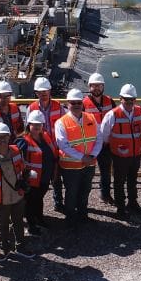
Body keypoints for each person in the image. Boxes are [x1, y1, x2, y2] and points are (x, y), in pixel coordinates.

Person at [54, 88, 103, 223]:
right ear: (68, 104)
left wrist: (92, 155)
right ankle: (70, 217)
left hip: (89, 164)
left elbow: (99, 138)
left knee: (86, 190)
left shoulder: (91, 118)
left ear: (83, 104)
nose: (76, 105)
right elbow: (63, 145)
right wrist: (83, 157)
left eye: (78, 102)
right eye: (73, 102)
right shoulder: (61, 122)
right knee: (72, 192)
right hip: (71, 166)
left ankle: (82, 214)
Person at [99, 84, 141, 217]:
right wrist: (115, 147)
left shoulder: (140, 111)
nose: (130, 102)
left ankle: (132, 202)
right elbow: (104, 135)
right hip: (119, 156)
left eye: (132, 99)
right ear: (121, 99)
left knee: (133, 179)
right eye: (127, 99)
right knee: (119, 181)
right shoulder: (112, 114)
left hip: (136, 154)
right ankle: (120, 207)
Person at [0, 123, 29, 257]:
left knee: (18, 222)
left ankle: (20, 247)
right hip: (0, 199)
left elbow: (23, 170)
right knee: (2, 226)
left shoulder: (17, 151)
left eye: (5, 137)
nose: (2, 141)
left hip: (17, 196)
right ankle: (5, 248)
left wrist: (24, 185)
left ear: (9, 138)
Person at [28, 77, 66, 214]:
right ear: (36, 93)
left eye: (46, 91)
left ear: (50, 91)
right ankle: (37, 207)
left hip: (55, 148)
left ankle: (58, 202)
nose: (43, 94)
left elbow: (64, 126)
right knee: (40, 179)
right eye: (40, 91)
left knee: (56, 178)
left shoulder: (59, 106)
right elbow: (28, 130)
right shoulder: (31, 108)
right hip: (39, 150)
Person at [21, 108, 56, 236]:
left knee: (39, 199)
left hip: (45, 176)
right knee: (31, 201)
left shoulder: (45, 136)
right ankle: (31, 225)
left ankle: (39, 219)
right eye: (34, 124)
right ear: (28, 125)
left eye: (39, 124)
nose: (36, 127)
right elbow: (18, 159)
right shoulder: (23, 141)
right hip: (32, 179)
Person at [83, 72, 114, 205]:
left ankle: (105, 195)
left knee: (105, 171)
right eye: (94, 86)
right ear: (89, 87)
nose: (96, 88)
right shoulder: (83, 103)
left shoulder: (110, 101)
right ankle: (83, 199)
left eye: (99, 86)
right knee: (87, 173)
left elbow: (115, 120)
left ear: (103, 87)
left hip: (106, 143)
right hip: (90, 144)